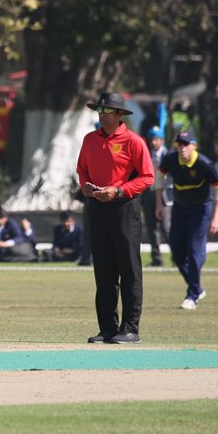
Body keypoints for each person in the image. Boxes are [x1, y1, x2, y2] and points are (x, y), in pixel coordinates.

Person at [76, 92, 154, 344]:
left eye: (107, 110)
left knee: (129, 270)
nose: (102, 114)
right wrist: (85, 187)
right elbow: (82, 170)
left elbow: (147, 177)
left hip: (124, 208)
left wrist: (119, 190)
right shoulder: (90, 140)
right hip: (97, 207)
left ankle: (130, 328)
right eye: (100, 110)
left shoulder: (134, 141)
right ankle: (108, 328)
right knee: (104, 271)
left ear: (120, 114)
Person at [155, 128, 218, 311]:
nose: (182, 147)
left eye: (186, 144)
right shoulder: (171, 159)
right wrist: (159, 204)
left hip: (201, 209)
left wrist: (216, 217)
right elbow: (159, 176)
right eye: (179, 144)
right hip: (180, 207)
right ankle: (197, 287)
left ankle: (192, 295)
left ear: (194, 146)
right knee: (177, 252)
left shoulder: (204, 164)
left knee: (194, 251)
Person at [142, 126, 170, 267]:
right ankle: (156, 258)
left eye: (156, 139)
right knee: (151, 227)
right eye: (151, 139)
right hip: (148, 193)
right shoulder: (146, 154)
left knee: (166, 228)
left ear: (162, 140)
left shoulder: (169, 155)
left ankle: (177, 257)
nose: (153, 142)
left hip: (164, 196)